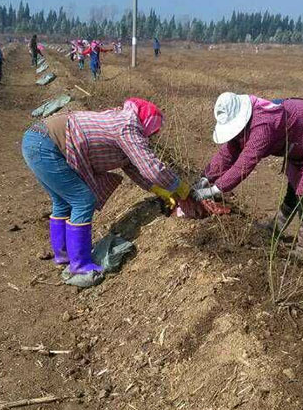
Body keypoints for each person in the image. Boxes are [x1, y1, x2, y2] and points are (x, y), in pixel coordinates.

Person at [21, 98, 191, 287]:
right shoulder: (128, 126)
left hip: (36, 140)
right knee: (83, 201)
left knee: (63, 202)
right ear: (147, 125)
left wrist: (161, 191)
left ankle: (64, 256)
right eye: (151, 132)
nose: (149, 138)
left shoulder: (120, 121)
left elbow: (136, 170)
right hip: (47, 145)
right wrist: (181, 188)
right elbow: (152, 169)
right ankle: (80, 265)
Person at [193, 93, 303, 261]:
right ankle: (276, 229)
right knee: (295, 186)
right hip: (301, 143)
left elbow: (244, 164)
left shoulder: (264, 126)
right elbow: (228, 153)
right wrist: (206, 178)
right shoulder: (246, 125)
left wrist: (215, 189)